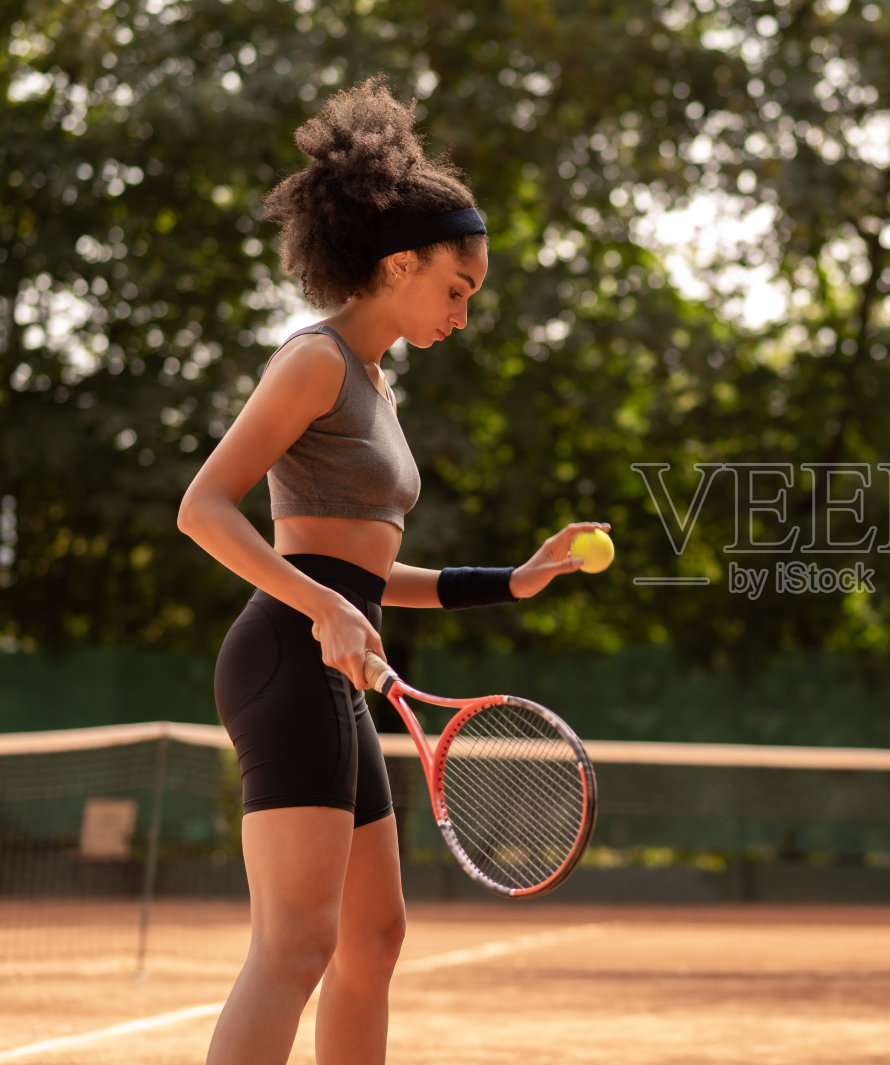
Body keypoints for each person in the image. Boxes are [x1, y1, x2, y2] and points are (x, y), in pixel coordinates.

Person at [177, 79, 607, 1065]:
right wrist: (325, 606)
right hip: (288, 657)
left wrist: (514, 580)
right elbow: (203, 508)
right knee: (295, 946)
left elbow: (366, 573)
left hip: (331, 655)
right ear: (399, 262)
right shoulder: (313, 361)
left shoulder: (375, 384)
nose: (464, 313)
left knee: (372, 940)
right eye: (457, 290)